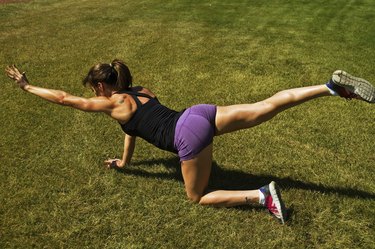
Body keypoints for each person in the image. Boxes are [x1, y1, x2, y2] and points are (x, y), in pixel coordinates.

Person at [5, 60, 375, 224]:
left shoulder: (113, 103)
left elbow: (64, 99)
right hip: (196, 114)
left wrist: (26, 86)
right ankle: (329, 87)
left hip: (186, 135)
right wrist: (125, 163)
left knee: (196, 197)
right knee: (267, 106)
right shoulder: (140, 91)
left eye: (94, 89)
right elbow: (132, 131)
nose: (92, 95)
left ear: (101, 87)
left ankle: (261, 196)